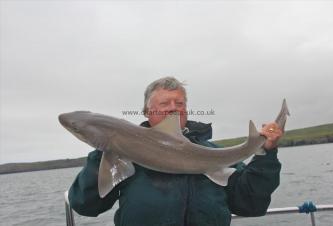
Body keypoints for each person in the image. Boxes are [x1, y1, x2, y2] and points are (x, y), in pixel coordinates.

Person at [68, 77, 283, 226]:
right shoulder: (120, 156)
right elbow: (85, 205)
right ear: (147, 111)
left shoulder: (212, 154)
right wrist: (105, 151)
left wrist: (266, 154)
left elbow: (251, 204)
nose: (174, 107)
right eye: (165, 103)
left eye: (179, 103)